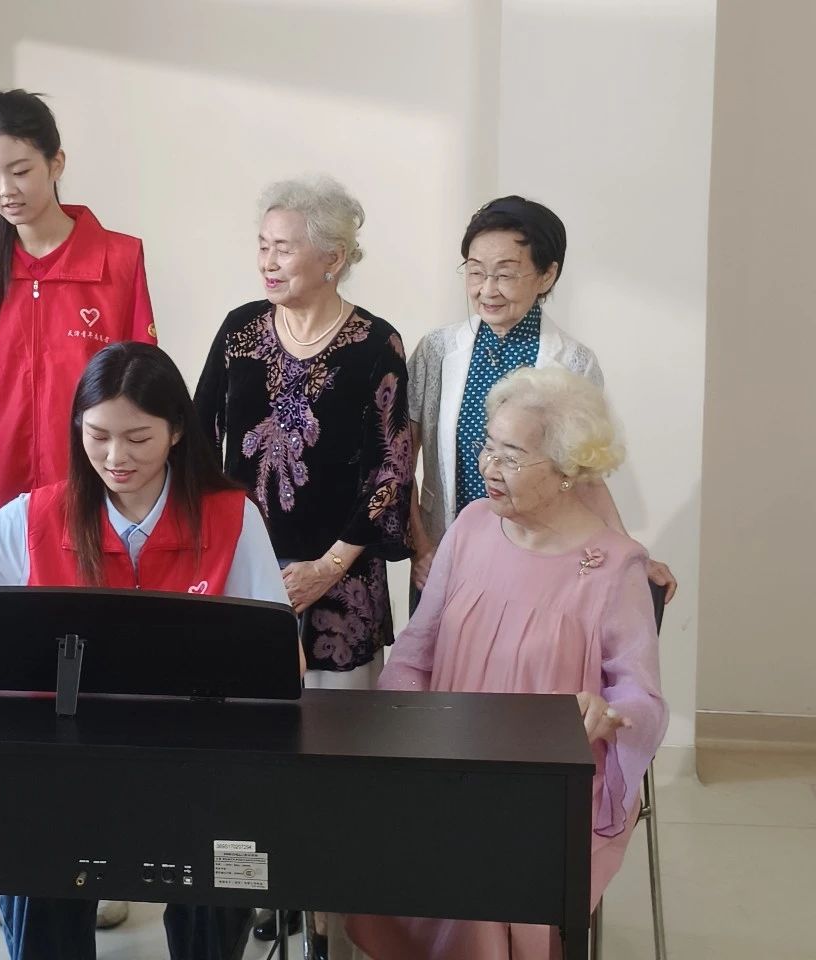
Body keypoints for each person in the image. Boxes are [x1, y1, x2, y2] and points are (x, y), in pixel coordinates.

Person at [0, 342, 295, 960]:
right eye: (97, 436)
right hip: (64, 769)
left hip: (194, 765)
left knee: (219, 880)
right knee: (42, 881)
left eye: (138, 438)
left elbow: (283, 661)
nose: (116, 458)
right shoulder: (38, 516)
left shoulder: (230, 518)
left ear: (177, 431)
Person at [346, 367, 668, 960]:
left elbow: (640, 698)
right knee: (368, 829)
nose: (489, 466)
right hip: (448, 757)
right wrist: (404, 731)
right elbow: (414, 654)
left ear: (567, 469)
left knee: (482, 868)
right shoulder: (471, 526)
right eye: (488, 446)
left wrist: (607, 715)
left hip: (546, 783)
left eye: (512, 456)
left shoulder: (615, 567)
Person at [194, 175, 412, 960]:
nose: (267, 261)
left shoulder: (376, 344)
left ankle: (331, 915)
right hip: (247, 575)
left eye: (283, 248)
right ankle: (269, 892)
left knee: (336, 761)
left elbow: (392, 467)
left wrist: (329, 565)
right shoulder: (239, 331)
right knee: (253, 752)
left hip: (341, 582)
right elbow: (197, 437)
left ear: (334, 257)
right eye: (262, 245)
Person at [406, 195, 675, 604]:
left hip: (536, 564)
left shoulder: (574, 363)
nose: (487, 289)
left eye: (505, 274)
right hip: (444, 556)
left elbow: (583, 476)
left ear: (547, 275)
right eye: (475, 272)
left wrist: (630, 552)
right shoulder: (436, 351)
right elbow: (399, 460)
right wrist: (421, 547)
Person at [0, 89, 157, 532]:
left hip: (92, 489)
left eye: (20, 171)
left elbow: (142, 394)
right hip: (0, 494)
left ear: (56, 163)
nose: (5, 190)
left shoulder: (119, 261)